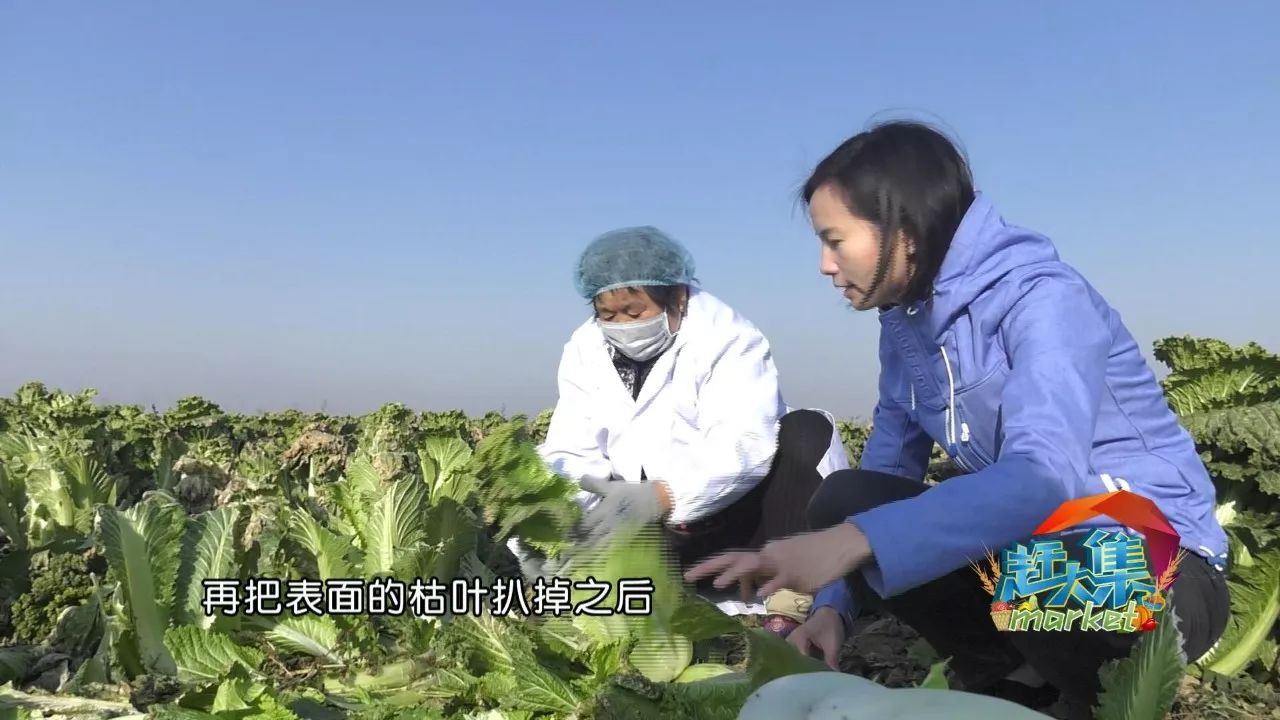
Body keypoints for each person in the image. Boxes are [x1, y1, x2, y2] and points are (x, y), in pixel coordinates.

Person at [685, 120, 1231, 718]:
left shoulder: (1044, 302)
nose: (823, 264)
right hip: (1039, 557)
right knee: (847, 497)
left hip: (1163, 566)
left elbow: (1041, 478)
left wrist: (851, 544)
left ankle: (1085, 695)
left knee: (1026, 571)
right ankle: (1006, 675)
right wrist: (832, 607)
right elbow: (884, 473)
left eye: (835, 239)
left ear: (905, 230)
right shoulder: (905, 327)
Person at [530, 225, 851, 635]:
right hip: (654, 534)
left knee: (805, 432)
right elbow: (572, 448)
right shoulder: (585, 348)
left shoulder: (728, 338)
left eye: (634, 313)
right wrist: (566, 516)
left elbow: (743, 444)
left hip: (741, 521)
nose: (621, 325)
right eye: (608, 315)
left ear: (677, 298)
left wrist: (663, 496)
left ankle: (789, 601)